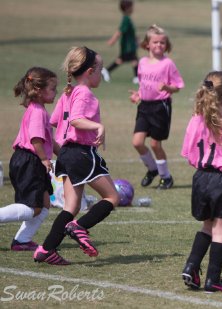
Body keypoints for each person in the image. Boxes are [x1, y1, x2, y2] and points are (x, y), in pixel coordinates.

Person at [35, 46, 120, 265]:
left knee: (70, 207)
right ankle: (79, 227)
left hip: (66, 154)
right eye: (100, 69)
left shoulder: (68, 93)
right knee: (112, 197)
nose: (101, 74)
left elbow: (55, 121)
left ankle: (46, 249)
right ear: (90, 71)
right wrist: (98, 126)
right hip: (81, 152)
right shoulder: (85, 94)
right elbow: (75, 119)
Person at [180, 71, 222, 292]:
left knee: (207, 225)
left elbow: (189, 155)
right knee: (220, 229)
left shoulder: (195, 121)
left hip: (201, 179)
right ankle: (213, 279)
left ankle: (191, 267)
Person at [0, 68, 58, 252]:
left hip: (29, 160)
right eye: (53, 88)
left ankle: (22, 240)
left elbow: (49, 140)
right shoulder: (38, 112)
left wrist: (63, 154)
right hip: (30, 161)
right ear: (39, 90)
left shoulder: (38, 109)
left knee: (44, 204)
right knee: (33, 207)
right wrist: (43, 159)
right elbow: (35, 139)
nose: (56, 91)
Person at [129, 25, 184, 190]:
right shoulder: (142, 62)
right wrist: (138, 95)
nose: (159, 45)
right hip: (144, 107)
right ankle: (153, 169)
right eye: (155, 42)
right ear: (147, 44)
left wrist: (167, 88)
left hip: (161, 107)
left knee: (155, 144)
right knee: (137, 142)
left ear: (166, 45)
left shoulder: (168, 64)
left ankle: (166, 177)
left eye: (162, 42)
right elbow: (143, 83)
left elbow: (178, 86)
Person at [103, 0, 138, 83]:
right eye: (131, 7)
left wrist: (137, 40)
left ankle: (107, 70)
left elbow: (131, 32)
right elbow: (120, 31)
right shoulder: (126, 19)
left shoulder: (128, 18)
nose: (133, 8)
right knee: (134, 60)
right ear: (127, 8)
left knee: (121, 60)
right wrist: (112, 40)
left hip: (130, 45)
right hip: (127, 46)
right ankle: (136, 77)